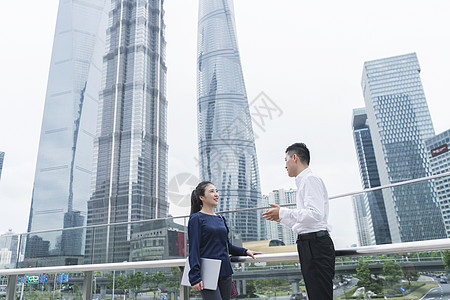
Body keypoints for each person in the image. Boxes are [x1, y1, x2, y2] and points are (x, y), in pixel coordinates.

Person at [262, 142, 335, 299]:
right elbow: (303, 224)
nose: (285, 165)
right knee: (315, 294)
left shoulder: (310, 179)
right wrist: (281, 217)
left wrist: (284, 211)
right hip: (308, 244)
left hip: (316, 244)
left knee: (320, 295)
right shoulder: (303, 182)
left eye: (285, 160)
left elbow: (315, 214)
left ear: (294, 157)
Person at [188, 181, 262, 300]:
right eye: (211, 191)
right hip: (208, 272)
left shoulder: (221, 218)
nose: (216, 194)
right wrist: (194, 277)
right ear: (201, 197)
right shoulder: (196, 218)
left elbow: (227, 246)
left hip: (225, 271)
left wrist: (245, 251)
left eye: (217, 191)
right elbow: (194, 248)